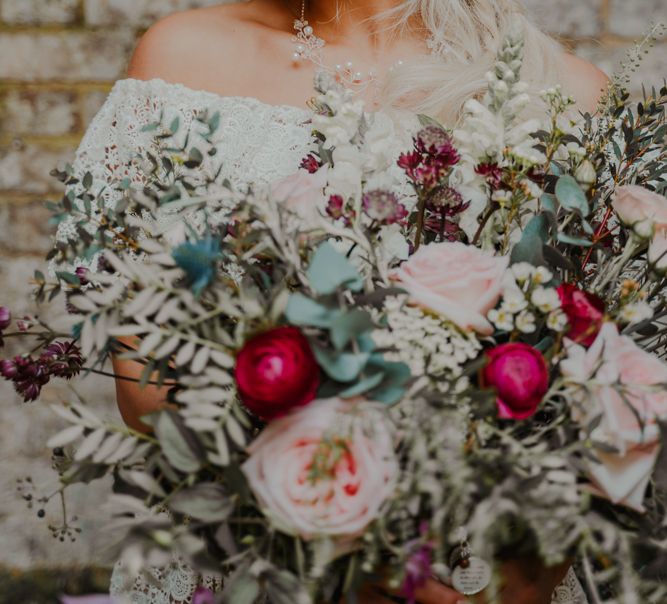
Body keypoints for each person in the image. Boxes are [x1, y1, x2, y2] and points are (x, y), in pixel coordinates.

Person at [61, 1, 608, 602]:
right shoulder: (186, 60)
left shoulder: (569, 95)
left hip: (483, 571)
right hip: (253, 558)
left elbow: (602, 394)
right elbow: (147, 389)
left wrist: (519, 583)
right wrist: (345, 549)